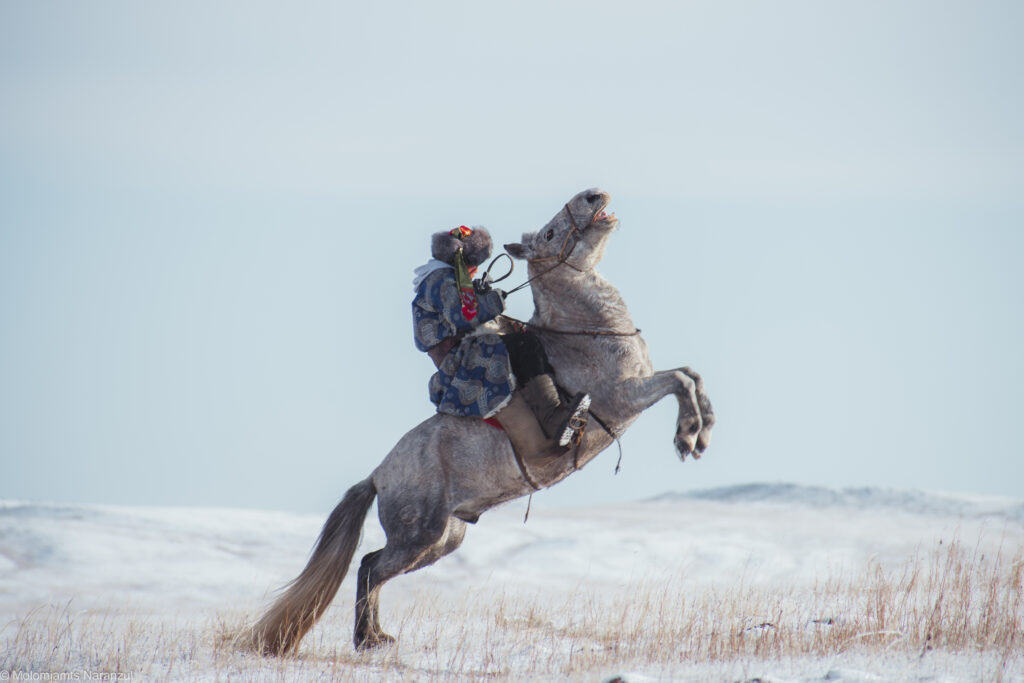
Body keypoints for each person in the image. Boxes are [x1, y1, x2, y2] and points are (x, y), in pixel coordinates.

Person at [412, 226, 590, 451]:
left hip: (465, 351)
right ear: (464, 264)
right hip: (461, 359)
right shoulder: (441, 278)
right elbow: (463, 317)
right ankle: (553, 420)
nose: (475, 273)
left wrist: (480, 297)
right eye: (474, 268)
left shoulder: (440, 279)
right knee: (526, 345)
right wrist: (493, 301)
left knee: (522, 337)